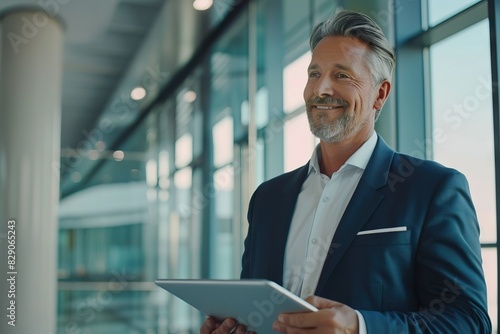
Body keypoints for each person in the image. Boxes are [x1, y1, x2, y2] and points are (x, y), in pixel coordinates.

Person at [200, 10, 491, 334]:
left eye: (342, 75)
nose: (321, 89)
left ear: (380, 94)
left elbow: (469, 320)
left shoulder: (432, 188)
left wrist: (361, 327)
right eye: (314, 73)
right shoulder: (268, 198)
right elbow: (255, 310)